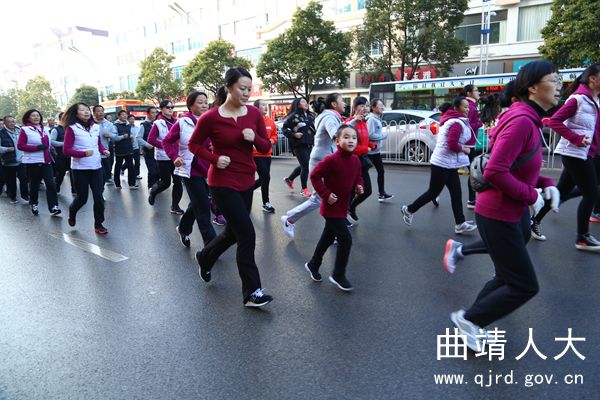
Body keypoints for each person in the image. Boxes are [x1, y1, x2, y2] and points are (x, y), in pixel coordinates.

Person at [444, 61, 561, 352]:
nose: (559, 86)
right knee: (525, 285)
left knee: (506, 276)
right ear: (532, 88)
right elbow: (496, 170)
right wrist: (531, 195)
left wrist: (546, 183)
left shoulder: (528, 119)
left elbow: (520, 166)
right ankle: (470, 319)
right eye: (554, 80)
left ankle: (472, 321)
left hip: (512, 213)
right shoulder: (522, 121)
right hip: (499, 213)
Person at [188, 67, 273, 308]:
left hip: (246, 179)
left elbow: (266, 147)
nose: (246, 93)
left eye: (249, 89)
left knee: (233, 233)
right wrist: (214, 159)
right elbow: (194, 145)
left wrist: (254, 138)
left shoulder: (254, 114)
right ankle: (252, 291)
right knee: (247, 234)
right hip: (222, 182)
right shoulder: (210, 117)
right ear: (228, 88)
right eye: (242, 88)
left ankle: (205, 256)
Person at [530, 64, 600, 250]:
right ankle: (582, 237)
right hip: (575, 153)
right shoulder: (578, 99)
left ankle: (533, 220)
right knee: (591, 193)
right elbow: (554, 122)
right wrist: (577, 138)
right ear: (593, 78)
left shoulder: (595, 100)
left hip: (589, 153)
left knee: (562, 191)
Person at [401, 98, 477, 234]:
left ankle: (460, 223)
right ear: (456, 108)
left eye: (468, 107)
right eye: (465, 107)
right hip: (441, 163)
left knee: (456, 193)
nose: (468, 109)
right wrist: (464, 149)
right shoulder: (456, 123)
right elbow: (452, 144)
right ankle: (409, 209)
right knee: (433, 192)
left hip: (449, 163)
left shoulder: (455, 120)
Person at [305, 125, 363, 291]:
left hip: (343, 206)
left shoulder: (356, 160)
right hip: (331, 207)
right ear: (337, 141)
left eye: (354, 137)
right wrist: (326, 194)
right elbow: (314, 176)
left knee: (328, 237)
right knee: (346, 239)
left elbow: (358, 177)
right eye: (346, 137)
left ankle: (313, 264)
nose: (350, 140)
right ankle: (338, 274)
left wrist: (359, 186)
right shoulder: (331, 160)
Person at [281, 93, 345, 239]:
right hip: (318, 158)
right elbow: (336, 135)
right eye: (342, 101)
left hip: (322, 156)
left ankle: (334, 232)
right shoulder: (329, 118)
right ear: (334, 104)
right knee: (321, 198)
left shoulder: (323, 116)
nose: (345, 104)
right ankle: (290, 219)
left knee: (331, 196)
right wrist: (350, 139)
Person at [163, 91, 216, 248]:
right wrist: (174, 157)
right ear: (190, 105)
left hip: (210, 168)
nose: (204, 105)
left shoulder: (211, 121)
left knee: (197, 202)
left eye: (206, 102)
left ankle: (183, 228)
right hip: (190, 169)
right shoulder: (182, 122)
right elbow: (167, 141)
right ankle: (211, 246)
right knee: (203, 206)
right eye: (200, 102)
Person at [62, 103, 110, 234]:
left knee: (99, 197)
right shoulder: (72, 128)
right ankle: (72, 211)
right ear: (76, 113)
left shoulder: (95, 127)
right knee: (82, 198)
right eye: (82, 110)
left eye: (87, 109)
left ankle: (98, 224)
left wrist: (103, 150)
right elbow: (66, 150)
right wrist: (83, 154)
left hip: (96, 166)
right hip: (80, 168)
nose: (86, 112)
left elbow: (97, 144)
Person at [17, 109, 61, 216]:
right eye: (33, 115)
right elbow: (20, 146)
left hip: (46, 161)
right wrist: (36, 147)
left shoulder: (46, 129)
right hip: (33, 162)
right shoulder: (25, 130)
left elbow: (48, 144)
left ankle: (53, 207)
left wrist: (51, 150)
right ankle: (34, 203)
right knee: (34, 185)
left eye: (38, 115)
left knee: (51, 184)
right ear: (28, 118)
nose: (36, 117)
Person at [148, 100, 184, 214]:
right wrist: (165, 146)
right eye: (168, 107)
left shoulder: (177, 121)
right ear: (162, 109)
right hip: (163, 157)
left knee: (178, 182)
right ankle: (153, 191)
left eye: (172, 107)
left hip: (176, 157)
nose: (170, 109)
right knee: (166, 183)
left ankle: (175, 206)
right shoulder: (158, 123)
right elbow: (151, 140)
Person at [345, 96, 376, 224]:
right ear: (355, 107)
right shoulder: (350, 122)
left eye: (366, 106)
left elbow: (363, 140)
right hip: (351, 162)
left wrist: (371, 144)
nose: (365, 108)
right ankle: (344, 215)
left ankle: (350, 208)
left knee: (366, 190)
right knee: (351, 191)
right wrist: (365, 148)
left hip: (361, 162)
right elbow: (348, 145)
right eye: (362, 106)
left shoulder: (364, 122)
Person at [282, 97, 315, 197]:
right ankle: (304, 189)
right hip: (298, 145)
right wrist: (294, 134)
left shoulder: (309, 116)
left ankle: (289, 179)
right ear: (298, 104)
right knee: (306, 166)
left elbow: (313, 129)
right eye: (303, 101)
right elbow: (284, 129)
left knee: (304, 165)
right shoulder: (293, 116)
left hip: (309, 144)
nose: (306, 103)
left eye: (306, 101)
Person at [251, 99, 278, 213]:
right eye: (262, 105)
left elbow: (274, 135)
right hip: (256, 154)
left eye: (266, 105)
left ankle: (247, 190)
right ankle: (266, 202)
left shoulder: (270, 121)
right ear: (256, 107)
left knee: (264, 178)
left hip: (267, 154)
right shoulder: (252, 121)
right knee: (266, 177)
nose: (265, 107)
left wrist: (272, 140)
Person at [366, 98, 393, 202]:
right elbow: (370, 134)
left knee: (381, 171)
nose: (382, 107)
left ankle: (382, 194)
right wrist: (382, 136)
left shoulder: (377, 118)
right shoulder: (371, 119)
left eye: (382, 105)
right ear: (373, 107)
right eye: (380, 105)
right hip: (369, 152)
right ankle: (353, 194)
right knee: (361, 174)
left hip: (375, 151)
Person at [461, 84, 483, 209]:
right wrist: (479, 123)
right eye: (476, 90)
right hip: (467, 144)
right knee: (473, 173)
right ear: (469, 93)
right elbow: (467, 124)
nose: (479, 92)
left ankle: (434, 193)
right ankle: (471, 200)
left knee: (449, 172)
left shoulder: (472, 105)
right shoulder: (470, 106)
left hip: (468, 143)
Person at [0, 116, 29, 203]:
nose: (12, 123)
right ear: (5, 123)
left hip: (21, 160)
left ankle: (25, 196)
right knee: (11, 181)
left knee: (24, 178)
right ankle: (13, 196)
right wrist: (6, 149)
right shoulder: (1, 133)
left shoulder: (20, 131)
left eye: (13, 121)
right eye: (9, 122)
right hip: (9, 161)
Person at [50, 112, 75, 195]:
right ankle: (56, 188)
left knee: (73, 174)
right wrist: (64, 144)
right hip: (60, 156)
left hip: (72, 155)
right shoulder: (56, 129)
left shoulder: (71, 128)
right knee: (60, 174)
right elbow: (52, 141)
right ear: (61, 119)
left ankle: (74, 190)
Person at [111, 110, 137, 189]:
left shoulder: (128, 125)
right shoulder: (115, 125)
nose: (125, 116)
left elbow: (131, 135)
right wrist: (122, 137)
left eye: (125, 114)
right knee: (118, 166)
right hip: (120, 150)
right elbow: (114, 138)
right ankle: (117, 184)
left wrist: (131, 137)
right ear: (118, 116)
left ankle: (132, 184)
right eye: (122, 114)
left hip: (129, 148)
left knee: (131, 167)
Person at [93, 105, 116, 185]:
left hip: (104, 152)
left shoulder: (109, 124)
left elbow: (115, 135)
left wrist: (109, 135)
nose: (100, 113)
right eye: (98, 111)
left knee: (103, 174)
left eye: (102, 111)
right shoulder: (90, 123)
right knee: (96, 175)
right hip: (92, 153)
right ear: (94, 113)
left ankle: (100, 190)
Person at [138, 107, 159, 187]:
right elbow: (138, 138)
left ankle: (157, 187)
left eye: (155, 112)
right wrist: (147, 144)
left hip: (158, 151)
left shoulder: (158, 123)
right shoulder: (144, 125)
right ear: (148, 114)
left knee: (159, 171)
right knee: (152, 171)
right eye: (152, 112)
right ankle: (151, 187)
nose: (154, 114)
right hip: (149, 152)